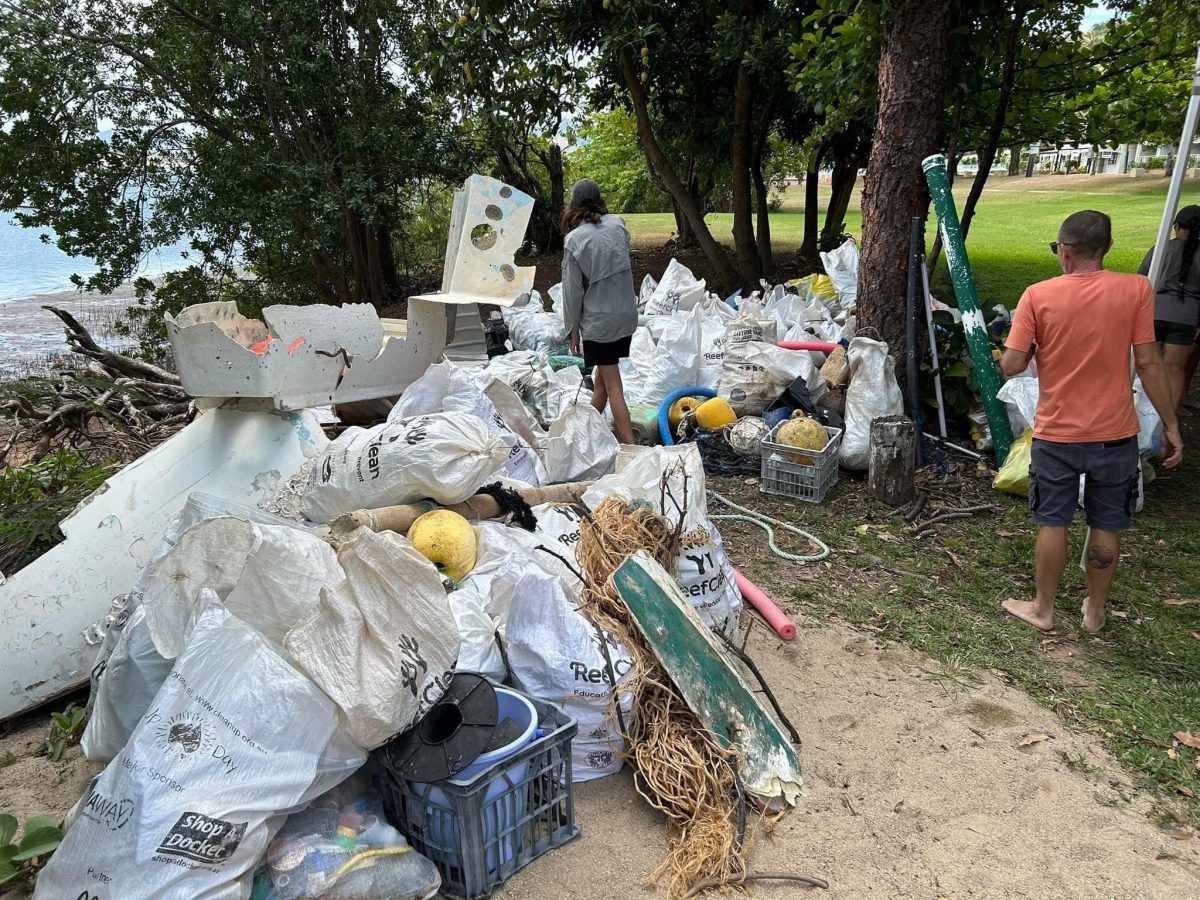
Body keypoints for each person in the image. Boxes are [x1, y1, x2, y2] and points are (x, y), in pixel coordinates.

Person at [999, 210, 1183, 635]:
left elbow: (1012, 364)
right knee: (1106, 523)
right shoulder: (1136, 289)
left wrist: (1021, 348)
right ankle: (1095, 611)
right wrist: (1171, 425)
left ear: (1064, 250)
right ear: (1108, 248)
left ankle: (1043, 609)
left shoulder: (1037, 296)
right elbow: (1150, 362)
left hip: (1057, 433)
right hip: (1115, 435)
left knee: (1053, 521)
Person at [561, 178, 638, 445]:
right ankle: (587, 436)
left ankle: (630, 448)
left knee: (613, 385)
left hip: (600, 323)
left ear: (574, 206)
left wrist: (571, 329)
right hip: (626, 316)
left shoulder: (574, 241)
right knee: (603, 381)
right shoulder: (618, 226)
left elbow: (572, 292)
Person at [1138, 204, 1200, 413]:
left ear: (1176, 226)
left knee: (1148, 366)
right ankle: (1167, 420)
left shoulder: (1160, 249)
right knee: (1175, 369)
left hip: (1154, 312)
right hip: (1186, 316)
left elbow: (1142, 279)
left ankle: (1145, 412)